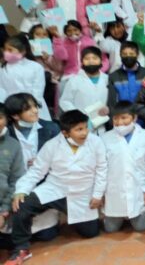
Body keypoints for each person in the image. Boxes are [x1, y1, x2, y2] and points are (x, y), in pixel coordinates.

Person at [8, 110, 106, 264]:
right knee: (22, 205)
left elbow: (102, 169)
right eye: (79, 129)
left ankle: (68, 217)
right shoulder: (51, 145)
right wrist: (21, 190)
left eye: (85, 128)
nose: (85, 133)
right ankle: (21, 248)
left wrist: (98, 194)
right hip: (55, 188)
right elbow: (37, 171)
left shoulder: (96, 142)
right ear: (65, 133)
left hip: (83, 192)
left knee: (90, 233)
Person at [101, 101, 145, 232]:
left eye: (124, 118)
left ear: (134, 117)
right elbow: (101, 168)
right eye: (116, 118)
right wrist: (101, 192)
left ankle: (142, 214)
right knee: (110, 229)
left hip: (137, 190)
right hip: (114, 193)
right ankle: (115, 216)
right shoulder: (105, 138)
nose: (119, 122)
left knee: (142, 227)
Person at [59, 47, 109, 134]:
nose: (91, 61)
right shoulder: (74, 80)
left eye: (94, 58)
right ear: (82, 61)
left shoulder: (107, 79)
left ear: (101, 60)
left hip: (102, 124)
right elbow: (65, 101)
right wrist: (79, 116)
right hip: (80, 124)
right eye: (87, 59)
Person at [0, 36, 51, 121]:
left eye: (10, 50)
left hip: (32, 106)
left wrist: (28, 106)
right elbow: (2, 88)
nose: (6, 52)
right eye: (5, 50)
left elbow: (38, 89)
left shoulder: (35, 67)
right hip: (12, 107)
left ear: (22, 52)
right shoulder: (3, 68)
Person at [0, 103, 26, 250]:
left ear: (6, 119)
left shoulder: (13, 145)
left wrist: (3, 211)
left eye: (0, 118)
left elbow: (16, 180)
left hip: (4, 205)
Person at [107, 41, 145, 110]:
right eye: (124, 54)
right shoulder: (114, 76)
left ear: (137, 55)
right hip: (122, 117)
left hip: (144, 117)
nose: (128, 56)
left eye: (131, 54)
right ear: (120, 55)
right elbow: (112, 103)